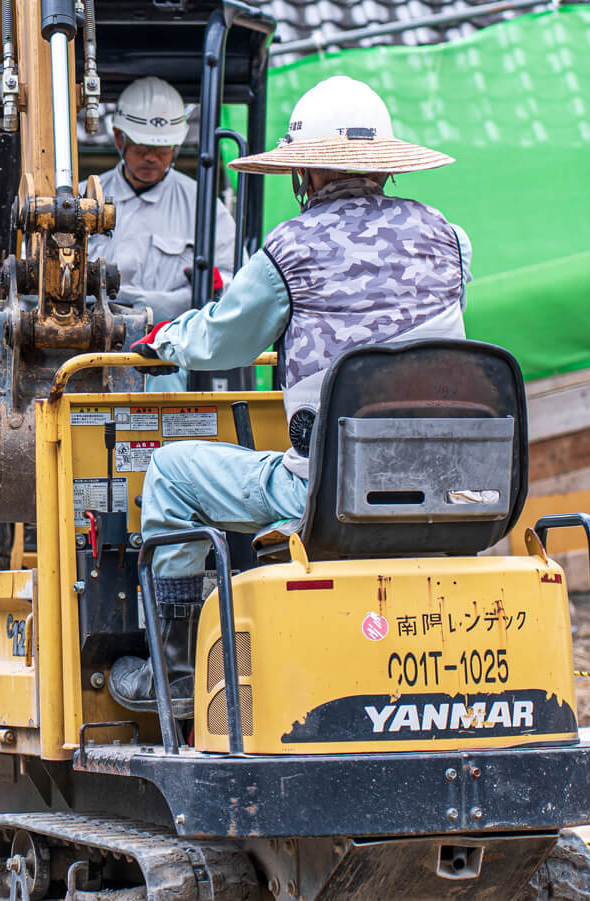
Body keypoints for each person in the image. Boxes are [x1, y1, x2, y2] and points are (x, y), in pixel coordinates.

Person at [108, 74, 472, 715]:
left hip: (328, 488)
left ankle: (179, 676)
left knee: (169, 471)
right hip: (449, 482)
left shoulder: (291, 248)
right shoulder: (451, 239)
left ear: (302, 172)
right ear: (383, 165)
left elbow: (223, 343)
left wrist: (163, 341)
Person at [90, 75, 235, 324]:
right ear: (118, 138)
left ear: (177, 146)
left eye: (163, 149)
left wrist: (217, 287)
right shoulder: (83, 201)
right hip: (89, 343)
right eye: (142, 147)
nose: (151, 158)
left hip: (173, 348)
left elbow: (235, 279)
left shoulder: (202, 206)